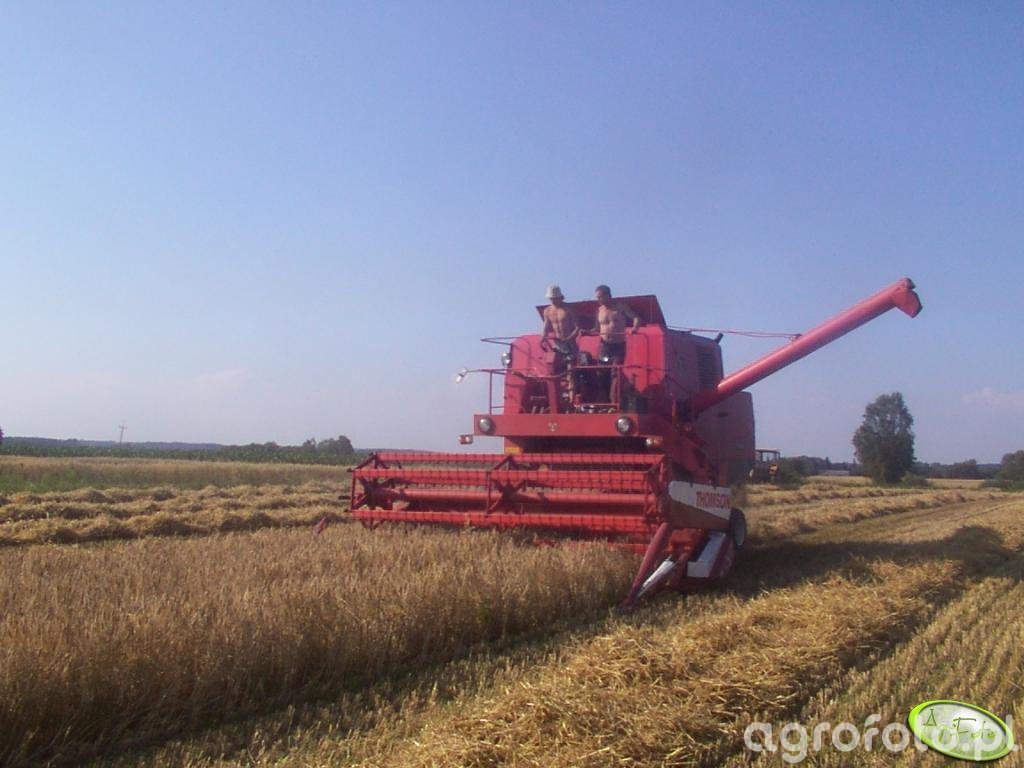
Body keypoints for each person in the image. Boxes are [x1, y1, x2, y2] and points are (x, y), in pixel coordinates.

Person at [592, 285, 640, 403]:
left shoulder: (620, 307)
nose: (598, 300)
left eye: (600, 297)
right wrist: (585, 331)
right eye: (597, 297)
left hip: (618, 345)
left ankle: (614, 401)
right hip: (604, 346)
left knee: (615, 372)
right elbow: (596, 328)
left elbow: (636, 318)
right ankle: (603, 401)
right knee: (601, 372)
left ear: (608, 295)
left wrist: (635, 328)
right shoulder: (599, 310)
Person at [541, 284, 580, 359]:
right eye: (551, 298)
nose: (553, 300)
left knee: (571, 362)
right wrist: (543, 338)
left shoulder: (568, 308)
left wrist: (569, 338)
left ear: (560, 297)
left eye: (555, 298)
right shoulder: (547, 311)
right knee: (555, 363)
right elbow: (546, 328)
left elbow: (577, 327)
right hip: (556, 343)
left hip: (570, 342)